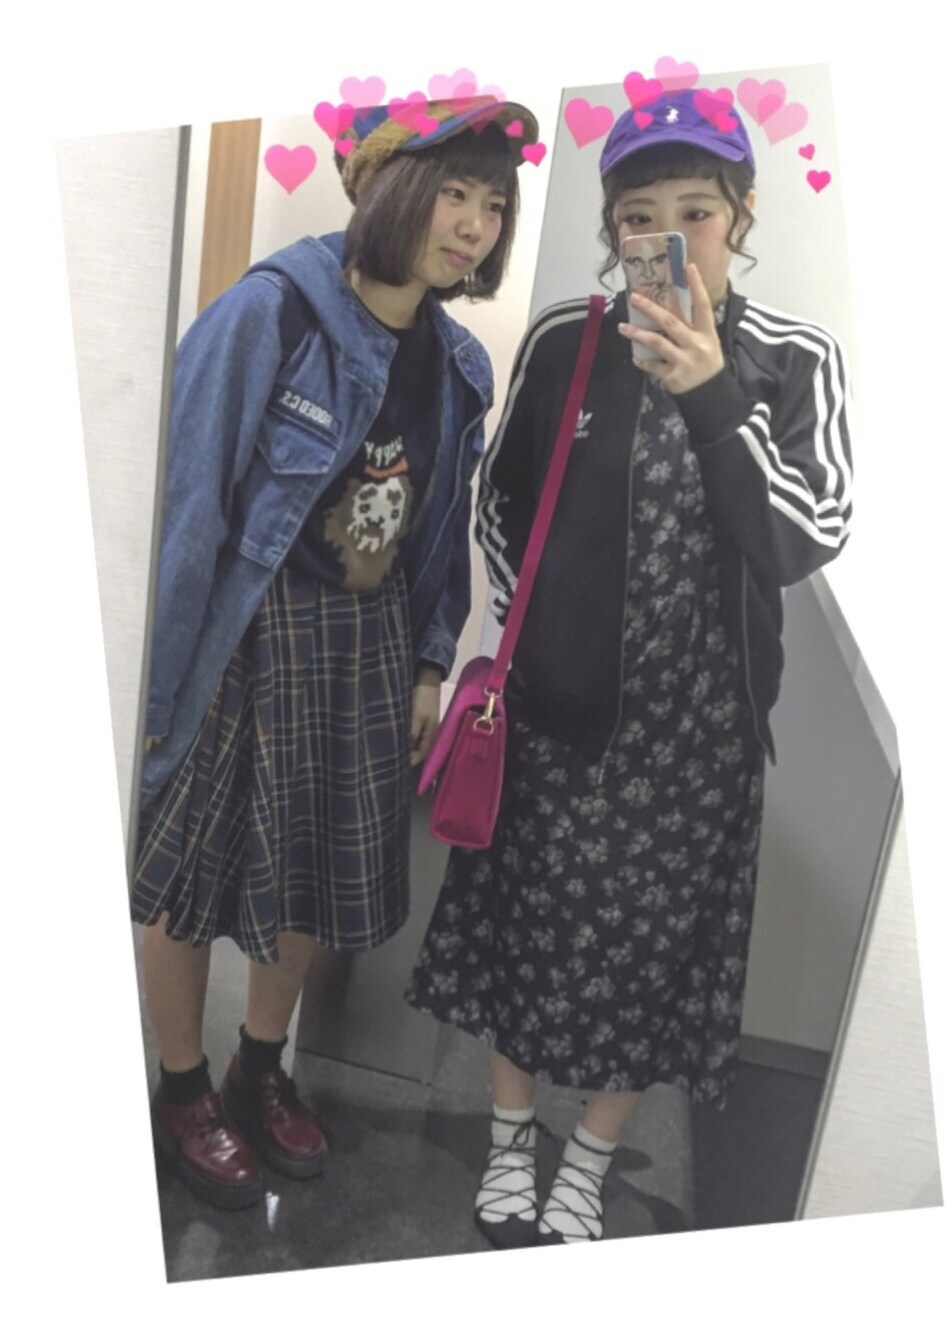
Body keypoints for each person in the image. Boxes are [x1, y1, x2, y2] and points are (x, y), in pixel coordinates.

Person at [406, 88, 853, 1247]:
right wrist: (538, 637)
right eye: (640, 215)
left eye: (695, 210)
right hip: (557, 722)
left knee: (649, 970)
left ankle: (587, 1162)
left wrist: (709, 392)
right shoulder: (569, 338)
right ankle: (511, 1142)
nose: (668, 237)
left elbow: (804, 532)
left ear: (740, 215)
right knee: (522, 940)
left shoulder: (792, 360)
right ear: (613, 228)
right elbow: (500, 505)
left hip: (697, 746)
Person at [132, 96, 539, 1210]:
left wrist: (427, 664)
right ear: (392, 191)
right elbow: (189, 507)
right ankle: (181, 1085)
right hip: (246, 631)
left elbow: (437, 537)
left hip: (364, 644)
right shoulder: (273, 311)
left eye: (493, 206)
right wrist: (155, 689)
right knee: (188, 873)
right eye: (452, 194)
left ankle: (260, 1065)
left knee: (312, 871)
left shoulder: (458, 364)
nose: (474, 225)